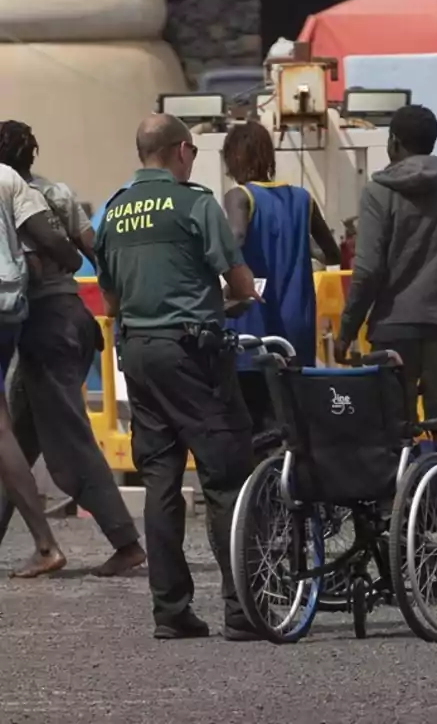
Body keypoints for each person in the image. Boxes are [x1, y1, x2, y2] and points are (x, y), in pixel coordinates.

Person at [95, 113, 261, 640]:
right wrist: (233, 301)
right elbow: (239, 281)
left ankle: (171, 611)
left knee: (161, 481)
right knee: (224, 474)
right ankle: (242, 608)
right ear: (182, 151)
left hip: (138, 353)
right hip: (192, 353)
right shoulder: (195, 202)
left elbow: (112, 298)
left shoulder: (113, 212)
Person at [0, 121, 146, 576]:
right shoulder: (58, 192)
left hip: (46, 328)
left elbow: (54, 256)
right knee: (14, 440)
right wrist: (115, 298)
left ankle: (125, 542)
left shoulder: (12, 196)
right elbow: (92, 249)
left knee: (68, 443)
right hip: (72, 322)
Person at [334, 105, 437, 476]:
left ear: (394, 143)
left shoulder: (377, 194)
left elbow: (367, 270)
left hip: (393, 332)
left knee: (390, 431)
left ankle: (394, 517)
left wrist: (347, 331)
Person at [221, 121, 340, 430]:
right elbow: (332, 255)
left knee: (253, 420)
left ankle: (262, 477)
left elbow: (236, 238)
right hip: (296, 327)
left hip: (252, 322)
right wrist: (296, 242)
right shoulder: (303, 199)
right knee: (291, 420)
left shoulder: (240, 196)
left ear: (233, 159)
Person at [0, 163, 82, 577]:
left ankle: (46, 544)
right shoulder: (6, 178)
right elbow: (47, 237)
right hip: (9, 309)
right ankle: (43, 543)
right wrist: (72, 258)